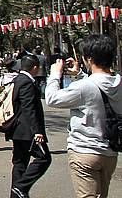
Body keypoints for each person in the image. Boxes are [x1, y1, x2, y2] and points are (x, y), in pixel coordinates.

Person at [45, 34, 121, 198]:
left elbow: (52, 99)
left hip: (84, 151)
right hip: (110, 152)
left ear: (90, 59)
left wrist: (55, 74)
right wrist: (80, 74)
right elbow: (99, 87)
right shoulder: (119, 83)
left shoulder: (83, 87)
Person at [7, 55, 51, 198]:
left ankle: (16, 193)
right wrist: (37, 131)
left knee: (20, 162)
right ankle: (20, 187)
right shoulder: (26, 82)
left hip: (17, 129)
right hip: (27, 130)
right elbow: (29, 108)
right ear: (35, 68)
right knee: (44, 158)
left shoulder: (17, 80)